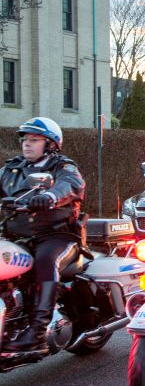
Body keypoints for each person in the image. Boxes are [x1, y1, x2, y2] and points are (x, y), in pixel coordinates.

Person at [2, 117, 86, 352]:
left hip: (56, 237)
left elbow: (71, 185)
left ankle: (37, 331)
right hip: (17, 236)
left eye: (34, 140)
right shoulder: (11, 169)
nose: (27, 144)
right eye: (25, 140)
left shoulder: (63, 167)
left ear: (50, 144)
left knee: (45, 260)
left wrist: (50, 197)